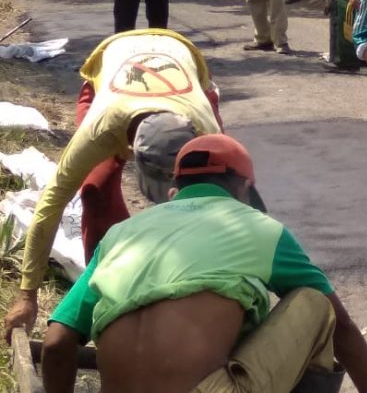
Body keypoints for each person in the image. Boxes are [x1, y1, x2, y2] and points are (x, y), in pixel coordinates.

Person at [41, 133, 367, 393]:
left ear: (174, 190)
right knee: (315, 305)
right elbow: (342, 327)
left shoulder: (121, 235)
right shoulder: (261, 228)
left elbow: (56, 342)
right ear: (245, 188)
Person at [2, 29, 224, 340]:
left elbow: (234, 201)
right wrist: (28, 295)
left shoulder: (204, 129)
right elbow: (50, 205)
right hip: (111, 71)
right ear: (132, 151)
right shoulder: (101, 129)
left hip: (185, 66)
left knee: (207, 199)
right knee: (96, 191)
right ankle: (105, 290)